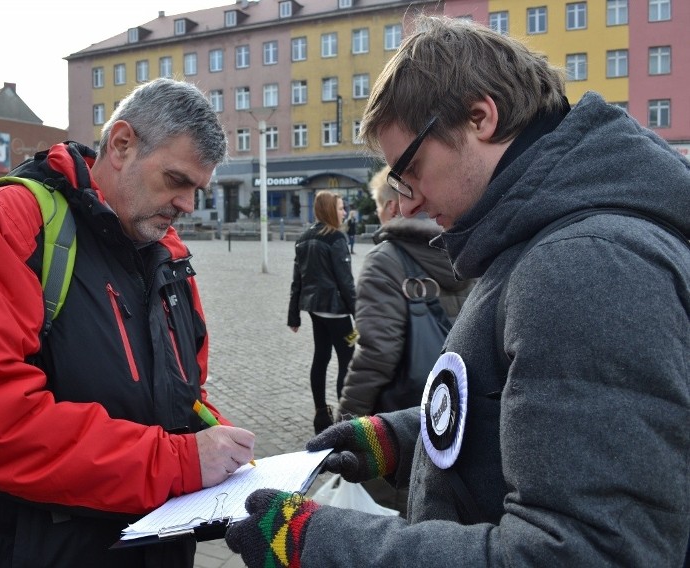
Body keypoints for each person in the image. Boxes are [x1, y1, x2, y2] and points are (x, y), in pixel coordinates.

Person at [227, 15, 689, 567]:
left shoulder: (582, 262)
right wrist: (400, 439)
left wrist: (320, 544)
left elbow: (584, 553)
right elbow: (524, 412)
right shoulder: (539, 232)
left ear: (480, 116)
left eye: (411, 168)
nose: (409, 199)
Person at [0, 78, 255, 567]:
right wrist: (180, 461)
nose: (187, 204)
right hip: (31, 549)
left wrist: (224, 445)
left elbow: (184, 391)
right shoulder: (6, 223)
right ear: (121, 145)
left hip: (153, 544)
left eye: (196, 189)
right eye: (177, 180)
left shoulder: (169, 251)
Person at [337, 166, 474, 516]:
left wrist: (348, 419)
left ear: (391, 208)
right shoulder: (471, 248)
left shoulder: (386, 261)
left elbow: (377, 352)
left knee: (404, 512)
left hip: (402, 418)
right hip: (462, 411)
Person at [288, 191, 356, 435]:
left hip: (316, 311)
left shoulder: (304, 238)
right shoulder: (336, 238)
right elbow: (346, 282)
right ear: (329, 210)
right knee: (347, 361)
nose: (344, 212)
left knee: (321, 358)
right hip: (338, 314)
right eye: (340, 208)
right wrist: (360, 316)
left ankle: (321, 415)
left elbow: (298, 280)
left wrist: (293, 315)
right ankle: (346, 419)